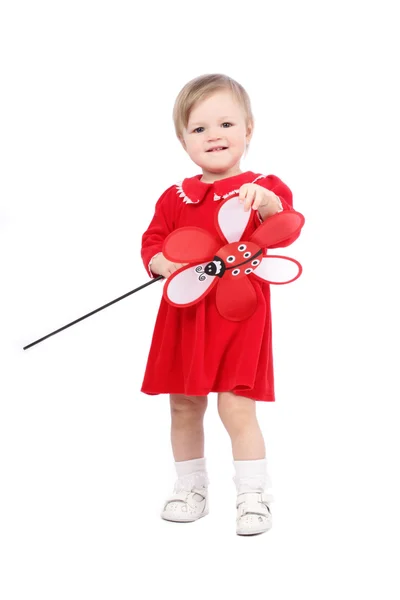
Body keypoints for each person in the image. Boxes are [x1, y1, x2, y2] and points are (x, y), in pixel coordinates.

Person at [140, 74, 302, 535]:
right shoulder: (175, 197)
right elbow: (152, 241)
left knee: (236, 407)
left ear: (248, 130)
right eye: (199, 128)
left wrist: (268, 202)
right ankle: (190, 487)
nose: (214, 135)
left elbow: (286, 225)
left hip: (239, 317)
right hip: (187, 317)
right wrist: (160, 261)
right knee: (184, 405)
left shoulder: (261, 188)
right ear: (182, 139)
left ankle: (253, 494)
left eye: (227, 123)